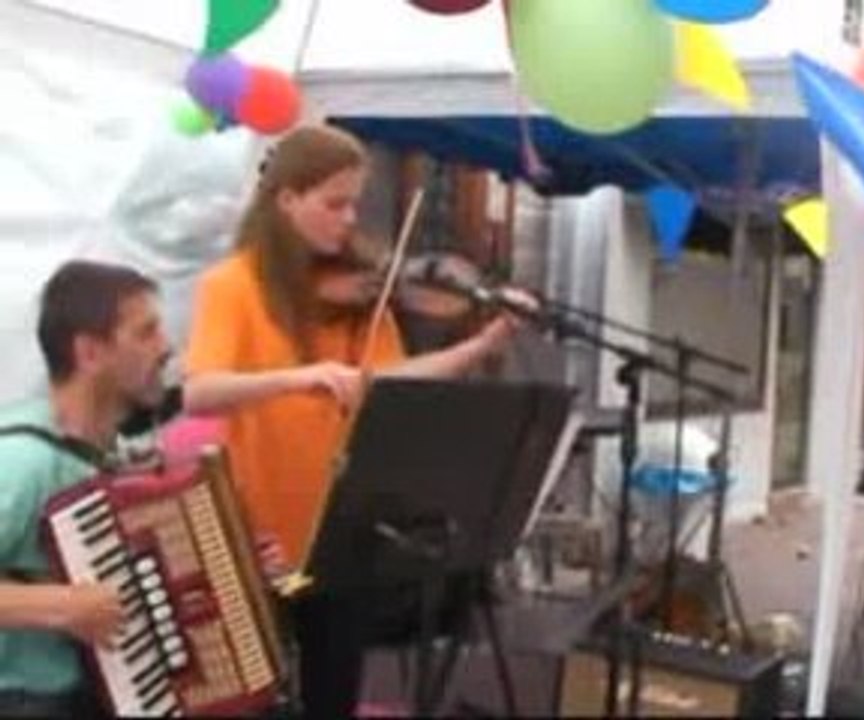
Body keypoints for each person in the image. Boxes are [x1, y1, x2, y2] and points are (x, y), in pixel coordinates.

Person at [183, 123, 533, 718]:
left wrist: (483, 344)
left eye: (354, 203)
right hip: (262, 543)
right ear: (287, 199)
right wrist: (299, 376)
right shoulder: (232, 286)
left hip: (337, 544)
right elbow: (200, 393)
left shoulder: (351, 299)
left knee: (332, 695)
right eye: (335, 204)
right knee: (253, 698)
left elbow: (392, 380)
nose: (350, 221)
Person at [0, 259, 172, 717]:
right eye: (146, 332)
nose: (166, 347)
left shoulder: (106, 453)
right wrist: (61, 606)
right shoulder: (22, 460)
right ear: (90, 353)